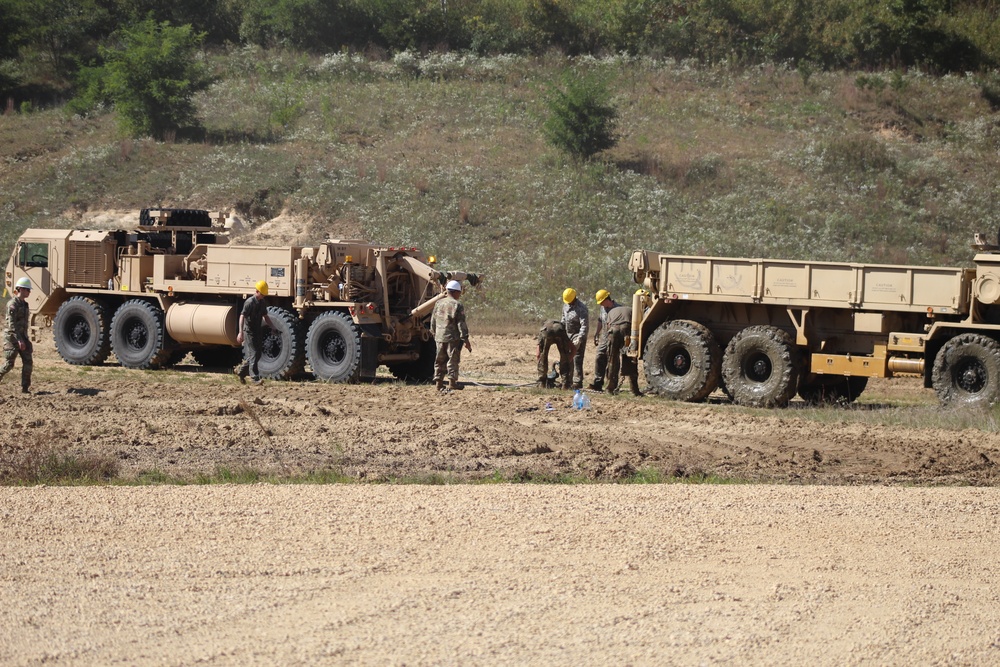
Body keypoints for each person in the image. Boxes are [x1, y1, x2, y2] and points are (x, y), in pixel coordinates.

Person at [431, 279, 471, 391]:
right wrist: (466, 339)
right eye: (459, 292)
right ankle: (452, 383)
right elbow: (461, 323)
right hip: (452, 338)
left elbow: (433, 321)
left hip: (439, 337)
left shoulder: (438, 303)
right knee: (452, 360)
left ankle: (438, 384)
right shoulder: (457, 305)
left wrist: (434, 333)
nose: (459, 295)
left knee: (439, 360)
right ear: (455, 292)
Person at [235, 280, 275, 385]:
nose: (263, 296)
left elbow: (265, 316)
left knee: (257, 354)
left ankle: (241, 372)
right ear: (256, 291)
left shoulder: (262, 303)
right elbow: (242, 316)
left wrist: (272, 327)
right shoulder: (249, 302)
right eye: (262, 294)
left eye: (264, 295)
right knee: (254, 353)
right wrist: (240, 332)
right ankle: (254, 378)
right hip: (249, 331)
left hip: (257, 330)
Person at [0, 277, 34, 394]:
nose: (29, 292)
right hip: (12, 338)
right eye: (27, 290)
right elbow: (12, 324)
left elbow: (24, 324)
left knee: (28, 362)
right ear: (20, 289)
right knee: (9, 364)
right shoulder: (12, 304)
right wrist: (19, 339)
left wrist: (25, 339)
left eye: (29, 290)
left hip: (23, 337)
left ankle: (25, 388)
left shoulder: (25, 304)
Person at [604, 304, 642, 396]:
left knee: (612, 361)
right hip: (627, 329)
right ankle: (634, 390)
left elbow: (607, 326)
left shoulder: (611, 311)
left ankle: (610, 389)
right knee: (630, 358)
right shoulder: (633, 310)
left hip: (613, 331)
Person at [588, 289, 620, 392]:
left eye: (601, 301)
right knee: (599, 357)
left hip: (614, 339)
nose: (600, 304)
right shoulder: (602, 308)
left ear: (607, 299)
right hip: (604, 337)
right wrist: (597, 333)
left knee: (613, 361)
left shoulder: (618, 308)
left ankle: (612, 385)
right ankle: (598, 383)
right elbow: (600, 320)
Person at [561, 288, 588, 390]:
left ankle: (578, 381)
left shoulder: (582, 308)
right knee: (567, 358)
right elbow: (563, 319)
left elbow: (584, 325)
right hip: (568, 335)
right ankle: (568, 380)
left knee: (577, 359)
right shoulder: (566, 306)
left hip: (578, 336)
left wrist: (579, 338)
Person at [536, 319, 575, 389]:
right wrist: (568, 359)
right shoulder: (561, 327)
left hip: (546, 331)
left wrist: (540, 361)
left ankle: (542, 383)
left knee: (543, 356)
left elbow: (538, 354)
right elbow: (573, 348)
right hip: (559, 330)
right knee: (564, 356)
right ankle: (565, 385)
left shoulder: (544, 328)